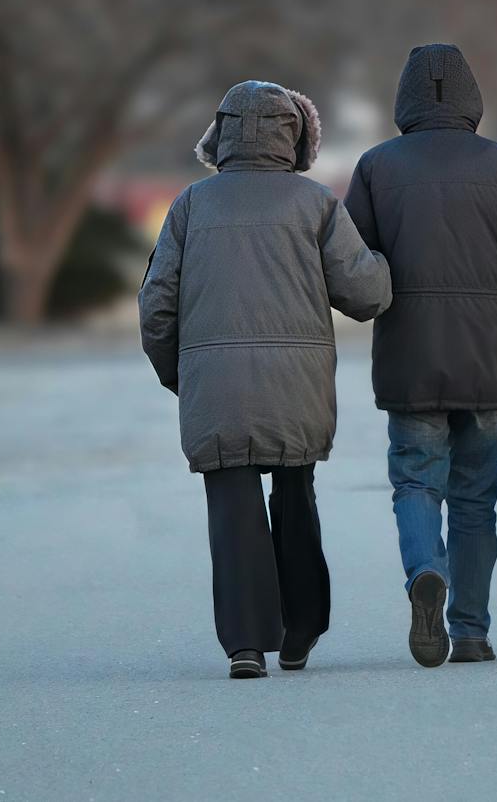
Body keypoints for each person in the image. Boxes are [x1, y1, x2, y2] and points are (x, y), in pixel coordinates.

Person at [139, 80, 391, 679]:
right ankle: (300, 632)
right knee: (295, 496)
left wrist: (183, 374)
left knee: (232, 509)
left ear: (220, 133)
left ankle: (246, 645)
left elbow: (156, 306)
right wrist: (384, 261)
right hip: (295, 384)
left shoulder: (191, 206)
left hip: (215, 384)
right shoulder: (316, 204)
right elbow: (368, 294)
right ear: (296, 136)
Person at [346, 44, 497, 666]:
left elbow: (353, 262)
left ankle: (423, 574)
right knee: (476, 499)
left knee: (416, 479)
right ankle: (470, 631)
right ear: (471, 98)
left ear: (404, 100)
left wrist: (376, 309)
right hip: (492, 355)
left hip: (410, 355)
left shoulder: (375, 167)